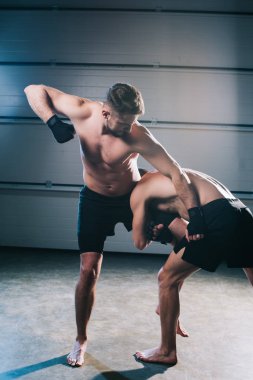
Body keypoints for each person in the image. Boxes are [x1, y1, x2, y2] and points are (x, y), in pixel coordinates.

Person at [24, 82, 205, 367]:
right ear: (106, 112)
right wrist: (51, 121)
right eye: (123, 123)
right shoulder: (83, 111)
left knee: (184, 238)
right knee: (88, 270)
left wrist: (196, 214)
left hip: (134, 196)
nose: (127, 130)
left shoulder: (137, 135)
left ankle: (168, 304)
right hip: (95, 201)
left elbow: (176, 172)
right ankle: (81, 339)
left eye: (132, 123)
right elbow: (33, 90)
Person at [130, 169, 253, 366]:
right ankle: (170, 317)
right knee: (173, 277)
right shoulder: (163, 179)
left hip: (217, 217)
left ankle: (166, 351)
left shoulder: (140, 191)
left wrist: (148, 230)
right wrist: (166, 236)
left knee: (166, 278)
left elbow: (139, 243)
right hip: (240, 211)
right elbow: (183, 244)